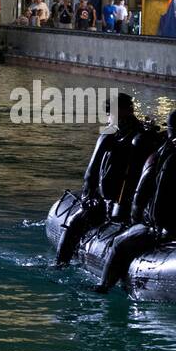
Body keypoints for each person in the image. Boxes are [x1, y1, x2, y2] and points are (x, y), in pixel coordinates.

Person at [93, 109, 176, 293]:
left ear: (170, 130)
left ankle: (103, 286)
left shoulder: (163, 155)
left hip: (162, 228)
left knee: (118, 243)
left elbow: (144, 194)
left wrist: (140, 222)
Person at [55, 94, 151, 266]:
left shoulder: (111, 135)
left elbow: (91, 172)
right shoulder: (143, 134)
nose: (109, 116)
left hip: (113, 203)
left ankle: (60, 263)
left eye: (110, 111)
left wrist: (86, 198)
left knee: (74, 222)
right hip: (133, 204)